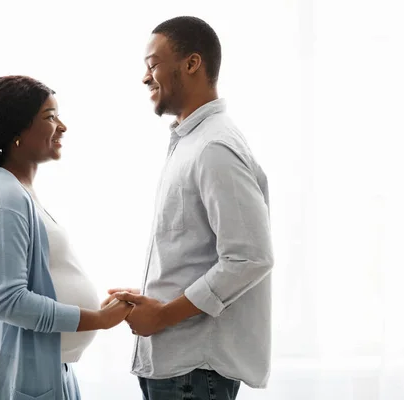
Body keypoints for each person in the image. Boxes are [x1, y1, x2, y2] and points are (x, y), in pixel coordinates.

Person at [104, 16, 274, 400]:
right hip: (179, 369)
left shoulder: (215, 147)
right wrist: (154, 295)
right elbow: (195, 253)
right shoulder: (192, 143)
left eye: (152, 64)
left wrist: (163, 314)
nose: (145, 78)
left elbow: (250, 258)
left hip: (195, 373)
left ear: (192, 63)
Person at [0, 75, 133, 400]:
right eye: (49, 117)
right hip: (26, 384)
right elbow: (8, 301)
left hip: (50, 371)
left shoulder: (18, 191)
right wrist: (97, 320)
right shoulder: (6, 198)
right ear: (17, 131)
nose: (62, 126)